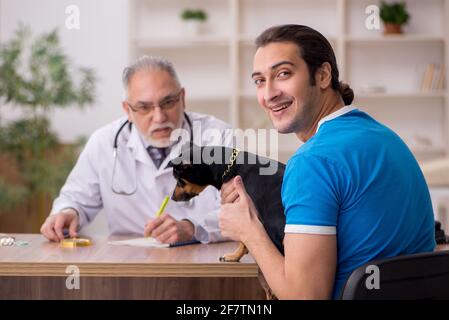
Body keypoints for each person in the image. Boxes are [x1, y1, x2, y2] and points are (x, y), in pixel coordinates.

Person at [219, 24, 436, 299]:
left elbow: (305, 296)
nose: (269, 93)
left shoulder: (313, 162)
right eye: (260, 81)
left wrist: (250, 231)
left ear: (322, 75)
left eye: (283, 74)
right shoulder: (387, 139)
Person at [41, 55, 232, 244]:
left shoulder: (218, 136)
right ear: (127, 110)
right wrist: (67, 212)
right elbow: (75, 198)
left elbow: (240, 211)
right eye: (144, 107)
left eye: (168, 102)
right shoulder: (104, 142)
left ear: (182, 98)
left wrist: (192, 228)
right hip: (130, 262)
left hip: (203, 262)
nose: (159, 117)